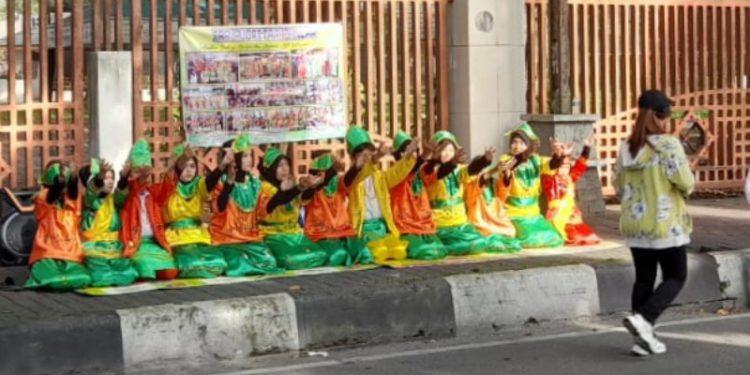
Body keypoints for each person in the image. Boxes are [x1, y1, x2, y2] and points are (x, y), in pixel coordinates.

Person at [615, 90, 695, 356]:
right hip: (665, 223)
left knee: (644, 279)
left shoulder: (626, 148)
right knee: (676, 275)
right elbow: (686, 183)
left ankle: (643, 339)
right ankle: (645, 319)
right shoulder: (668, 145)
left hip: (635, 224)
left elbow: (618, 187)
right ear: (661, 118)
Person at [423, 130, 519, 256]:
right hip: (440, 225)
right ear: (436, 152)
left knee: (478, 242)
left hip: (460, 223)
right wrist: (453, 163)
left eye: (451, 150)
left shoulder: (458, 170)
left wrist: (484, 160)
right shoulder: (429, 170)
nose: (448, 154)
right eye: (444, 150)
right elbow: (440, 173)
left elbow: (470, 170)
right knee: (460, 245)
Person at [210, 134, 280, 276]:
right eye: (244, 156)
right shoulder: (221, 182)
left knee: (269, 262)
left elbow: (263, 210)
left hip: (251, 238)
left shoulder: (255, 183)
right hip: (227, 238)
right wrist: (229, 184)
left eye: (250, 156)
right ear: (234, 159)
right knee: (238, 264)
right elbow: (219, 208)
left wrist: (283, 194)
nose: (249, 160)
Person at [344, 126, 416, 263]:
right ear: (354, 157)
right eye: (362, 156)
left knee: (399, 250)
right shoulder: (351, 179)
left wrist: (408, 157)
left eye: (368, 154)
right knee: (379, 252)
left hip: (381, 227)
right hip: (364, 228)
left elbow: (396, 173)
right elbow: (359, 174)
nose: (366, 158)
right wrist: (374, 159)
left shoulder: (380, 177)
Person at [160, 143, 227, 278]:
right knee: (190, 263)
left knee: (219, 263)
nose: (189, 170)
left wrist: (223, 165)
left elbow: (210, 185)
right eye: (184, 166)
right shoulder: (170, 185)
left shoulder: (199, 184)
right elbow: (170, 174)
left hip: (198, 234)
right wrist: (182, 157)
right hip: (177, 236)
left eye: (192, 166)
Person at [25, 161, 92, 290]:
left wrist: (73, 177)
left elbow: (74, 192)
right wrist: (59, 183)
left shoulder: (73, 200)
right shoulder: (42, 199)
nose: (64, 189)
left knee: (83, 278)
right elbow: (51, 196)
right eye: (60, 181)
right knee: (50, 279)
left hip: (71, 255)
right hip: (46, 255)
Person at [258, 147, 328, 270]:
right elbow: (280, 200)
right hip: (273, 235)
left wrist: (312, 186)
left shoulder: (291, 185)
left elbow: (303, 198)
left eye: (287, 164)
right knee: (289, 260)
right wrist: (298, 188)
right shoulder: (264, 187)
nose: (285, 169)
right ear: (271, 169)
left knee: (321, 255)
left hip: (294, 234)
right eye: (280, 165)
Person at [496, 124, 564, 249]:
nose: (517, 146)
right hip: (514, 214)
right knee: (528, 239)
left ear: (528, 145)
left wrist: (558, 153)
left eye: (522, 143)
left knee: (553, 236)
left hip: (533, 214)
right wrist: (527, 152)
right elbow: (507, 173)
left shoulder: (536, 160)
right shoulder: (505, 159)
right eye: (514, 142)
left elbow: (552, 165)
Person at [120, 140, 179, 280]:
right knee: (146, 270)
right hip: (136, 244)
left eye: (145, 170)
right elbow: (126, 189)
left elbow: (167, 186)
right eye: (137, 171)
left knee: (170, 271)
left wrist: (171, 168)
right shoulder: (126, 195)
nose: (141, 175)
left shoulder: (153, 193)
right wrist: (125, 176)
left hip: (154, 243)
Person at [301, 153, 372, 266]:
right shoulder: (311, 188)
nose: (334, 176)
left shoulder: (337, 185)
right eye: (332, 171)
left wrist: (356, 167)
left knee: (364, 252)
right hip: (321, 235)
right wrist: (315, 185)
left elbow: (348, 179)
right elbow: (304, 196)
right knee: (338, 255)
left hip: (343, 232)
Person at [79, 159, 139, 287]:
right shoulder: (90, 201)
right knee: (101, 277)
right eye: (106, 178)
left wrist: (123, 178)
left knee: (128, 274)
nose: (111, 181)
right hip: (94, 248)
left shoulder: (114, 200)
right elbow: (91, 192)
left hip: (114, 247)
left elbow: (121, 194)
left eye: (112, 178)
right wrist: (98, 179)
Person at [389, 131, 448, 260]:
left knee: (439, 250)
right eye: (406, 151)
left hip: (424, 226)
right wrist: (424, 155)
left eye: (413, 150)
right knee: (423, 252)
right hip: (405, 227)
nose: (411, 154)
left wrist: (437, 159)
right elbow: (410, 169)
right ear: (397, 155)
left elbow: (427, 171)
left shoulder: (419, 172)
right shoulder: (394, 173)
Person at [541, 136, 601, 246]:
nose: (564, 169)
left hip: (571, 212)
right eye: (562, 166)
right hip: (557, 213)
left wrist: (587, 148)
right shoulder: (550, 178)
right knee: (569, 234)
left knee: (586, 234)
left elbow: (580, 166)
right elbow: (553, 165)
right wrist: (560, 153)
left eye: (567, 166)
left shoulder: (570, 178)